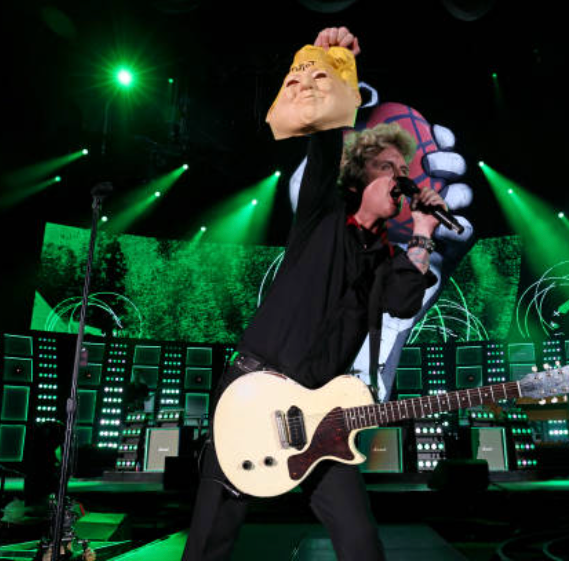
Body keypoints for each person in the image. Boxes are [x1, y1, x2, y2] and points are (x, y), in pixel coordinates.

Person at [182, 27, 444, 561]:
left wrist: (423, 230)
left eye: (404, 170)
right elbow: (325, 136)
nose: (400, 178)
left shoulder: (386, 261)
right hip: (255, 389)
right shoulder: (322, 216)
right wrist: (335, 60)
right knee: (213, 533)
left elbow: (403, 303)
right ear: (359, 175)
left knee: (358, 536)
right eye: (388, 169)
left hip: (320, 410)